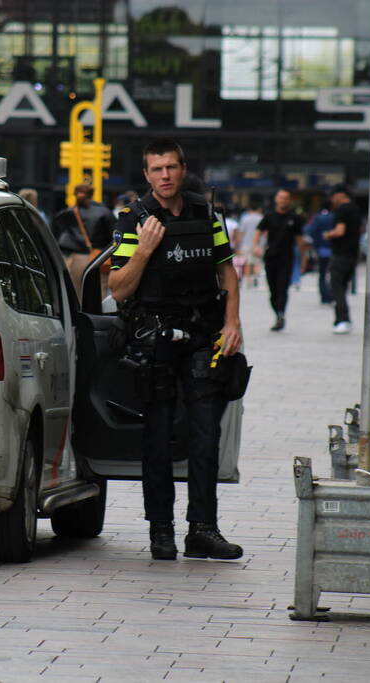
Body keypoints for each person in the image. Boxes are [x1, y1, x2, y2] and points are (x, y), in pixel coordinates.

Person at [109, 138, 243, 561]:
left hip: (202, 335)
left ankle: (203, 530)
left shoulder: (206, 214)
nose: (165, 175)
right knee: (158, 439)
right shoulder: (134, 219)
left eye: (171, 167)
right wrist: (145, 250)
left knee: (205, 437)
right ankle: (161, 530)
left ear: (183, 169)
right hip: (156, 341)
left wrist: (233, 323)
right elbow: (118, 289)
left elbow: (227, 271)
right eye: (157, 169)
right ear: (146, 175)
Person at [252, 189, 308, 331]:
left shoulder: (294, 218)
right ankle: (278, 312)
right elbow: (258, 232)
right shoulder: (269, 216)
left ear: (289, 201)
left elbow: (300, 240)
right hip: (271, 257)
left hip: (287, 258)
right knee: (273, 291)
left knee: (283, 288)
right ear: (276, 199)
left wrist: (303, 259)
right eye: (281, 197)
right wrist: (255, 246)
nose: (283, 200)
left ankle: (281, 314)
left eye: (286, 198)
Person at [51, 183, 116, 297]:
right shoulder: (104, 212)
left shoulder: (67, 213)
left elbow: (57, 236)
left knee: (77, 292)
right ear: (91, 194)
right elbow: (114, 236)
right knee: (99, 291)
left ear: (75, 194)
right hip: (100, 257)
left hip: (77, 258)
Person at [323, 184, 362, 334]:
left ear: (340, 195)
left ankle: (343, 320)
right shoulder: (355, 209)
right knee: (343, 286)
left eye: (333, 196)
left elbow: (340, 231)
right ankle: (343, 320)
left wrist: (328, 235)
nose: (332, 200)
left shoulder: (342, 210)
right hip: (352, 254)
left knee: (336, 287)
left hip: (341, 254)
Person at [305, 200, 334, 305]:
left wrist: (316, 244)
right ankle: (331, 295)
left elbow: (311, 231)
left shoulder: (317, 218)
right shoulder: (334, 217)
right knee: (332, 273)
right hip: (333, 248)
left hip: (322, 249)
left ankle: (324, 296)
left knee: (322, 273)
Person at [234, 203, 263, 286]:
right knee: (256, 261)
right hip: (258, 244)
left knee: (247, 262)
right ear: (258, 209)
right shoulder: (261, 218)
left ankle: (248, 280)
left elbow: (241, 232)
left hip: (245, 243)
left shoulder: (245, 218)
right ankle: (255, 277)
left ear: (249, 210)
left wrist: (237, 245)